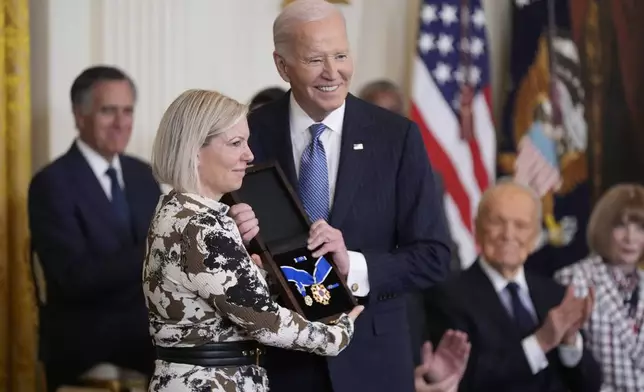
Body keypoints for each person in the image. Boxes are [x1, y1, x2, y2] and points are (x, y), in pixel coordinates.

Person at [230, 1, 452, 391]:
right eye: (316, 59)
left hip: (373, 360)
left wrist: (354, 266)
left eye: (341, 55)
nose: (333, 72)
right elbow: (220, 256)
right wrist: (234, 236)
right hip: (279, 361)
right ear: (282, 66)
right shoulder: (247, 135)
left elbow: (434, 257)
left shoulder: (397, 138)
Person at [143, 89, 363, 392]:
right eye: (236, 143)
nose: (249, 155)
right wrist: (336, 334)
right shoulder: (201, 224)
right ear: (194, 150)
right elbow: (264, 321)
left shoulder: (177, 210)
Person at [28, 66, 160, 390]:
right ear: (79, 115)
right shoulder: (51, 184)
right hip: (87, 339)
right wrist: (155, 249)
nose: (121, 123)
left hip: (148, 331)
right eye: (108, 111)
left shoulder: (143, 174)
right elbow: (75, 279)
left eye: (127, 111)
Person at [422, 180, 602, 392]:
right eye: (497, 222)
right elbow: (465, 379)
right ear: (477, 228)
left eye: (521, 225)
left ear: (535, 236)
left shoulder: (555, 293)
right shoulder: (448, 295)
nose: (508, 234)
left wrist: (569, 342)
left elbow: (589, 386)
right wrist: (541, 341)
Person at [555, 184, 644, 391]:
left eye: (640, 228)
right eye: (621, 226)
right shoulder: (574, 279)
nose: (630, 238)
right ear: (605, 228)